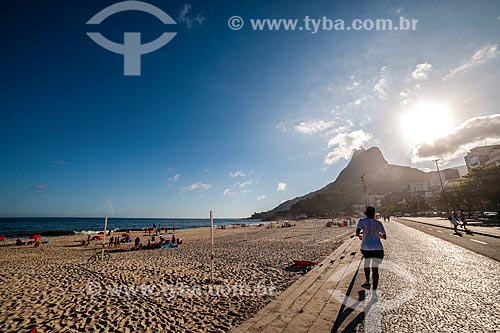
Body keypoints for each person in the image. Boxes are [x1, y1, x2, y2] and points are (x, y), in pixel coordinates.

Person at [356, 206, 387, 293]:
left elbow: (357, 232)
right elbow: (384, 236)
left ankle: (367, 282)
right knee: (375, 269)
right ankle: (374, 290)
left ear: (365, 213)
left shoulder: (362, 221)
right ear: (374, 213)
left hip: (366, 247)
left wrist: (360, 236)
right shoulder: (378, 223)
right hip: (377, 248)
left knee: (366, 264)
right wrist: (377, 234)